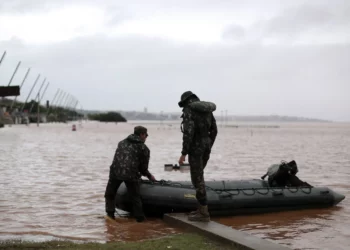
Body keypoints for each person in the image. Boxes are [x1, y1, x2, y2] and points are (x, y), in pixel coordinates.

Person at [177, 91, 218, 222]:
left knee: (197, 179)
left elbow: (188, 133)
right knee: (199, 176)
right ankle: (201, 209)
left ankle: (204, 213)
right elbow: (215, 130)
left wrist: (184, 153)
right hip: (206, 145)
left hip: (195, 148)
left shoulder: (190, 110)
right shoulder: (207, 110)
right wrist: (208, 144)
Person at [104, 126, 156, 222]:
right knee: (135, 197)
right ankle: (140, 220)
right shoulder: (144, 148)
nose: (146, 138)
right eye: (146, 135)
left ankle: (110, 215)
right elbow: (143, 168)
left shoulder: (121, 143)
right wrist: (150, 176)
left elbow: (117, 159)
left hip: (115, 172)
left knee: (109, 194)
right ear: (141, 135)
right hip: (131, 175)